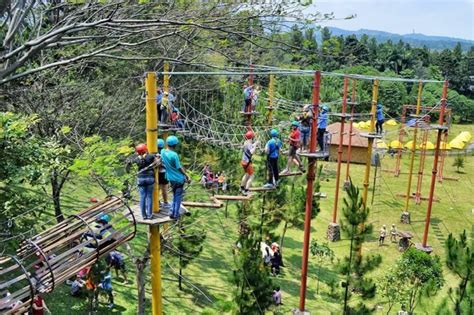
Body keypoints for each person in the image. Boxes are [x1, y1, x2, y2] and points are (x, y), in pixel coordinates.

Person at [161, 136, 191, 220]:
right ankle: (175, 214)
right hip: (178, 179)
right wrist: (186, 175)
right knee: (177, 198)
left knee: (174, 195)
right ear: (175, 145)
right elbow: (179, 167)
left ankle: (172, 212)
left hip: (171, 179)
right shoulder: (174, 155)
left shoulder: (163, 152)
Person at [132, 143, 159, 219]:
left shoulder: (137, 159)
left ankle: (143, 215)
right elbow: (157, 161)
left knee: (142, 197)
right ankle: (149, 215)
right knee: (149, 196)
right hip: (150, 177)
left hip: (140, 178)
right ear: (145, 150)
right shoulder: (150, 156)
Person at [240, 130, 259, 195]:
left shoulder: (245, 142)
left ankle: (242, 188)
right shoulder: (249, 143)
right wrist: (256, 145)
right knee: (252, 176)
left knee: (246, 174)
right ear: (252, 137)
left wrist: (255, 143)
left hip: (243, 161)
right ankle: (246, 190)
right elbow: (251, 152)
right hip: (247, 162)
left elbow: (250, 147)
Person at [157, 139, 170, 210]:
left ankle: (157, 202)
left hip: (156, 173)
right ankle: (165, 202)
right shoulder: (166, 152)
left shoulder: (154, 153)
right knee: (164, 189)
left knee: (157, 188)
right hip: (164, 172)